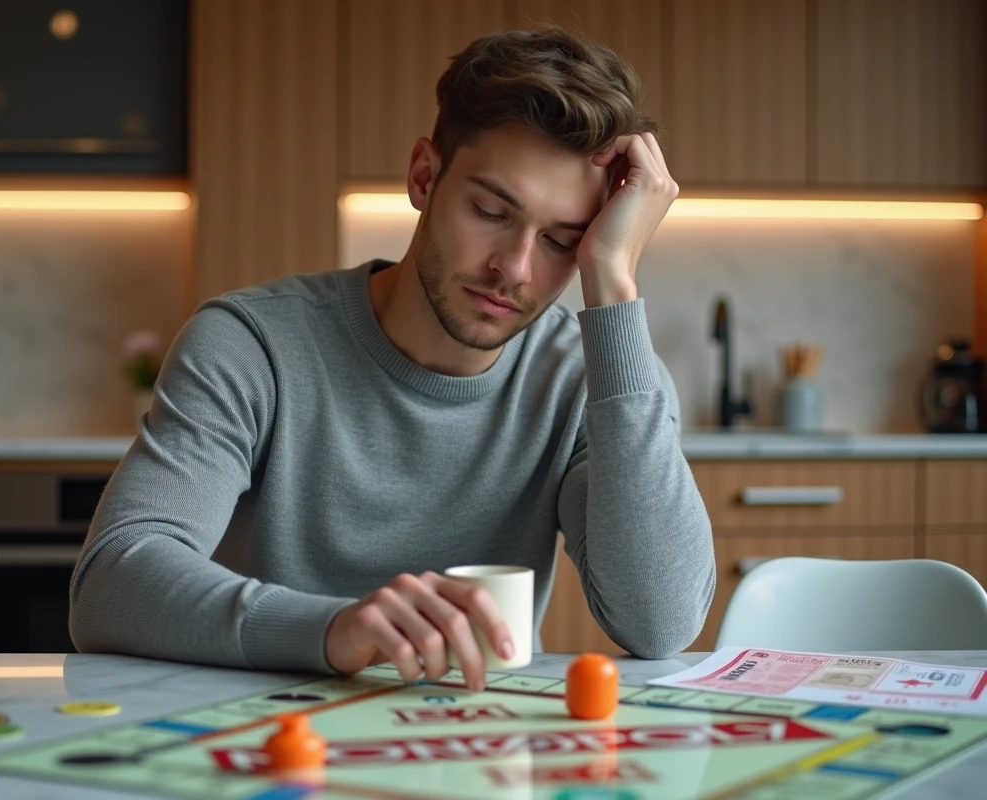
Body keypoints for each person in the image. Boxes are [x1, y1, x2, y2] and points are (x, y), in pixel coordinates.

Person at [70, 25, 716, 692]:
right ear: (423, 177)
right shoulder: (250, 345)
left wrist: (612, 280)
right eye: (491, 211)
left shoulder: (592, 377)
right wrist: (333, 630)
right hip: (269, 735)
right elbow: (112, 584)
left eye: (562, 241)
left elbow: (660, 623)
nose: (515, 269)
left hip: (483, 733)